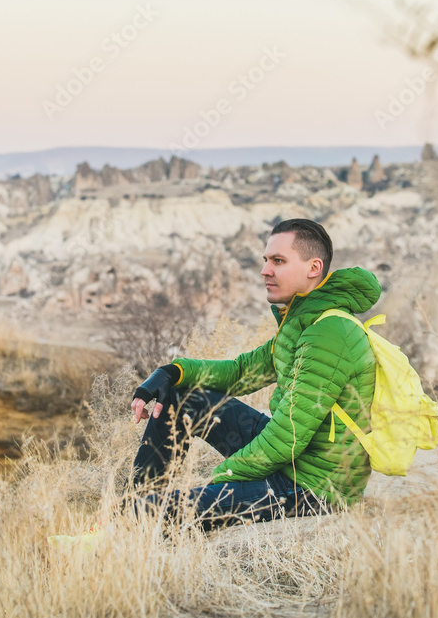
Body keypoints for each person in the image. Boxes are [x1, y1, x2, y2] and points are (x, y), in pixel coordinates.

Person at [128, 218, 381, 529]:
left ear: (313, 268)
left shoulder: (330, 333)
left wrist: (224, 479)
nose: (265, 270)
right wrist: (170, 372)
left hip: (313, 487)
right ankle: (132, 504)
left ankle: (132, 518)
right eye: (266, 260)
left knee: (153, 512)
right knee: (182, 398)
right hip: (292, 460)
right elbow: (240, 372)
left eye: (278, 261)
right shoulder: (301, 323)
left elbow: (288, 436)